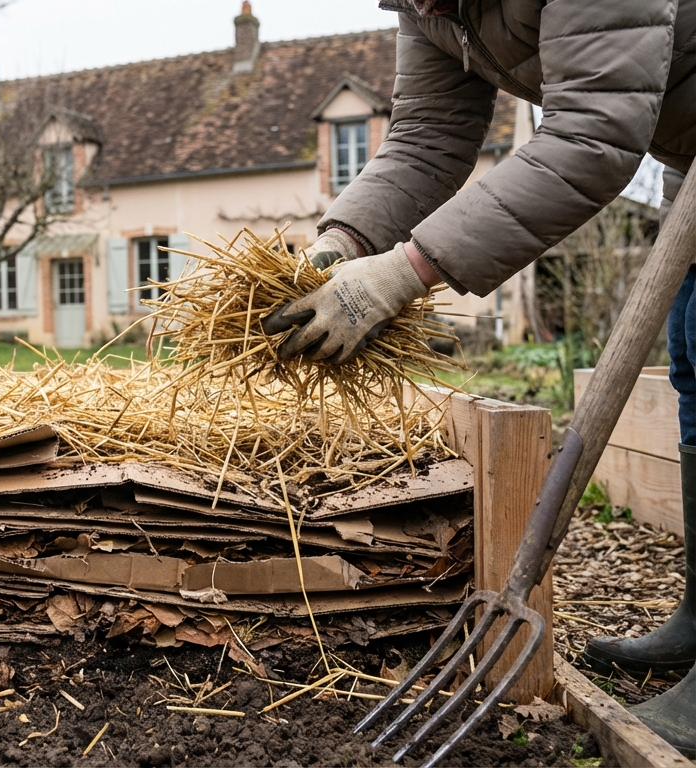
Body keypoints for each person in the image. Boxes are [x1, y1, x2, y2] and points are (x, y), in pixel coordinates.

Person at [260, 0, 696, 752]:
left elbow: (590, 138)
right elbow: (428, 138)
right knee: (691, 350)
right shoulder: (430, 3)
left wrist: (403, 273)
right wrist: (340, 243)